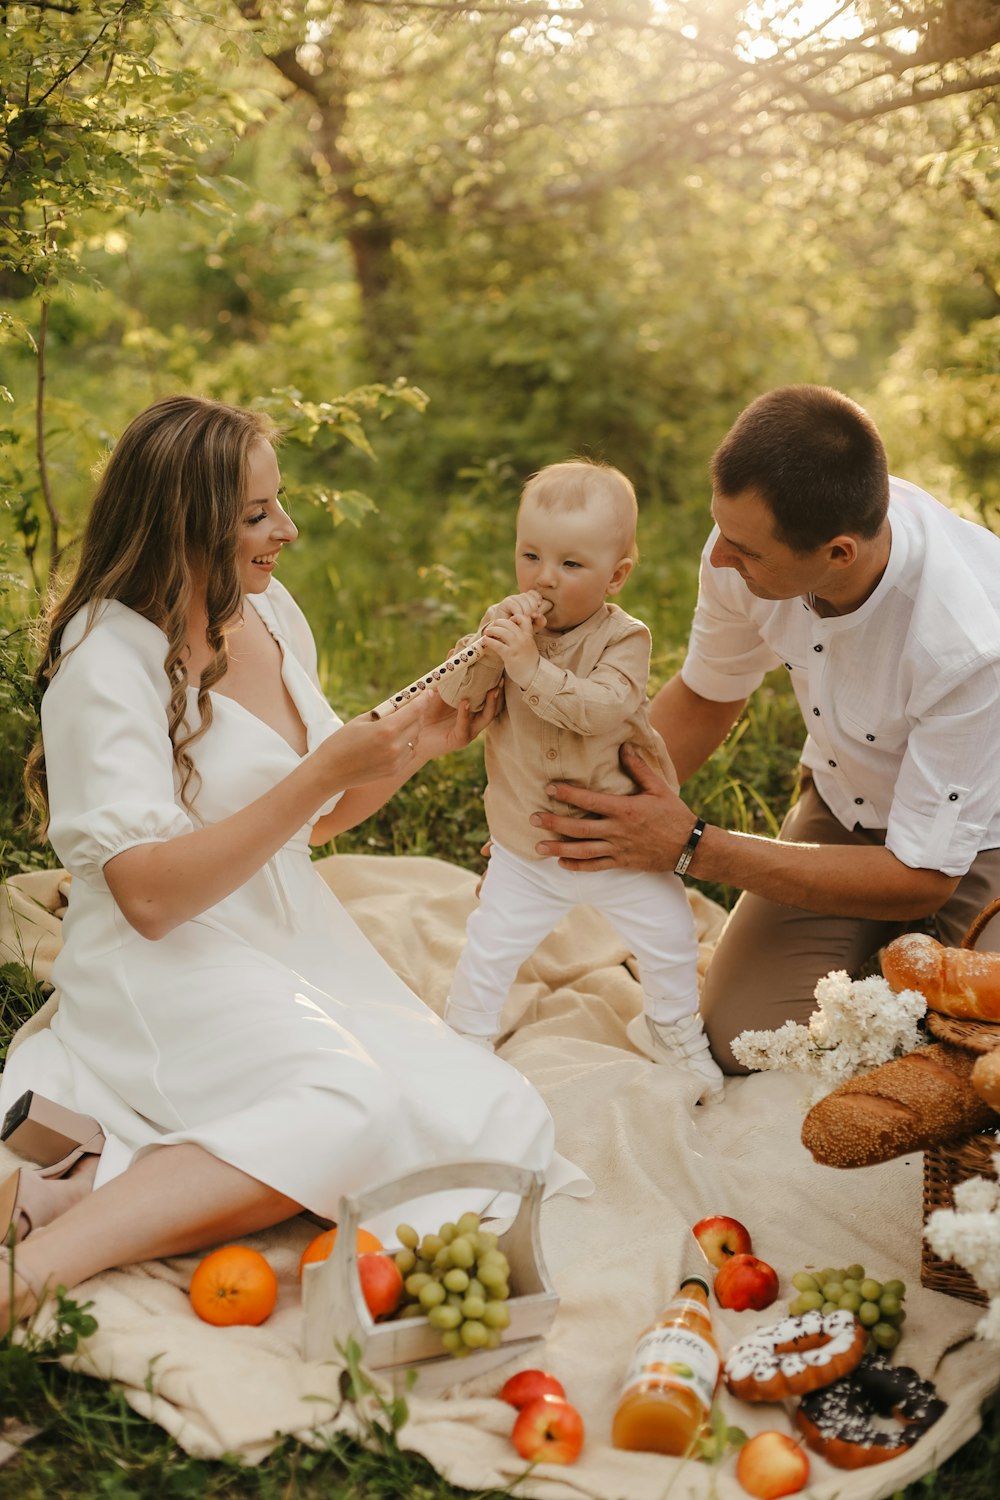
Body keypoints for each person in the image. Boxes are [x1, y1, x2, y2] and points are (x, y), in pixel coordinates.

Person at [0, 395, 587, 1328]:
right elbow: (148, 898)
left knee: (492, 1118)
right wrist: (321, 770)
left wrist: (419, 744)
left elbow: (312, 824)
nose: (289, 528)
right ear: (183, 525)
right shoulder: (105, 661)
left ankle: (97, 1185)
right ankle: (39, 1271)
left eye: (279, 502)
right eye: (255, 515)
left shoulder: (268, 612)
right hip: (162, 958)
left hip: (288, 934)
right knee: (348, 1108)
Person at [529, 386, 1000, 1071]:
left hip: (981, 845)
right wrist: (569, 810)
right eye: (722, 531)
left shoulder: (967, 641)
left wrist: (690, 846)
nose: (720, 558)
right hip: (847, 803)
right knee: (739, 1037)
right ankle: (893, 970)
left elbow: (923, 875)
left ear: (838, 553)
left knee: (974, 1062)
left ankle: (924, 978)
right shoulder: (746, 543)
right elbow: (705, 696)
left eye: (745, 550)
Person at [436, 460, 723, 1102]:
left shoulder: (626, 638)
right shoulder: (506, 630)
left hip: (618, 838)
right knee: (490, 945)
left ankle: (671, 1027)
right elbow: (455, 695)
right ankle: (467, 1039)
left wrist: (528, 665)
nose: (543, 577)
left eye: (571, 564)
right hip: (527, 840)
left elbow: (601, 709)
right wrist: (484, 649)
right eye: (531, 554)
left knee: (670, 935)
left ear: (615, 575)